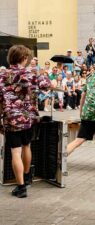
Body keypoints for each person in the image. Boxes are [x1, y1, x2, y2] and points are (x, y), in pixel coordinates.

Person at [0, 45, 51, 198]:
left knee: (15, 151)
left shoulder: (2, 75)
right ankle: (27, 177)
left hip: (11, 119)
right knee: (27, 146)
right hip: (28, 118)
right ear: (23, 58)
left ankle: (21, 187)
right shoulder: (30, 74)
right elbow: (48, 85)